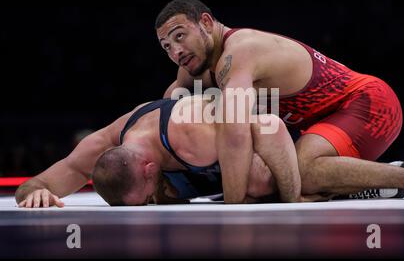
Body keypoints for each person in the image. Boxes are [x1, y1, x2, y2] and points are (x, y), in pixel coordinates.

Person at [155, 0, 404, 203]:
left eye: (180, 36)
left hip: (370, 103)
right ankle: (361, 184)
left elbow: (235, 132)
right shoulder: (199, 66)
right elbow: (166, 110)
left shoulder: (239, 52)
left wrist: (234, 204)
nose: (176, 51)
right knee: (277, 180)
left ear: (206, 22)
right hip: (332, 120)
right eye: (167, 46)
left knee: (298, 174)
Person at [15, 95, 311, 208]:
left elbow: (270, 126)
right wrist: (33, 193)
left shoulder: (193, 128)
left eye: (142, 199)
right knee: (166, 195)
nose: (146, 205)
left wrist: (292, 198)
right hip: (204, 171)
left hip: (289, 139)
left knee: (260, 181)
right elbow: (38, 182)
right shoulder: (105, 143)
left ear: (148, 169)